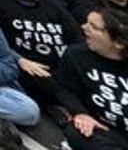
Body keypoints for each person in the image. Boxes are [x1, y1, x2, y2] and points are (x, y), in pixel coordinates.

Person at [54, 8, 128, 150]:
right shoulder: (76, 55)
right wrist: (80, 113)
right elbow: (63, 89)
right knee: (78, 133)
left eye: (93, 27)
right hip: (102, 129)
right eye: (87, 22)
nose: (83, 27)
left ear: (118, 42)